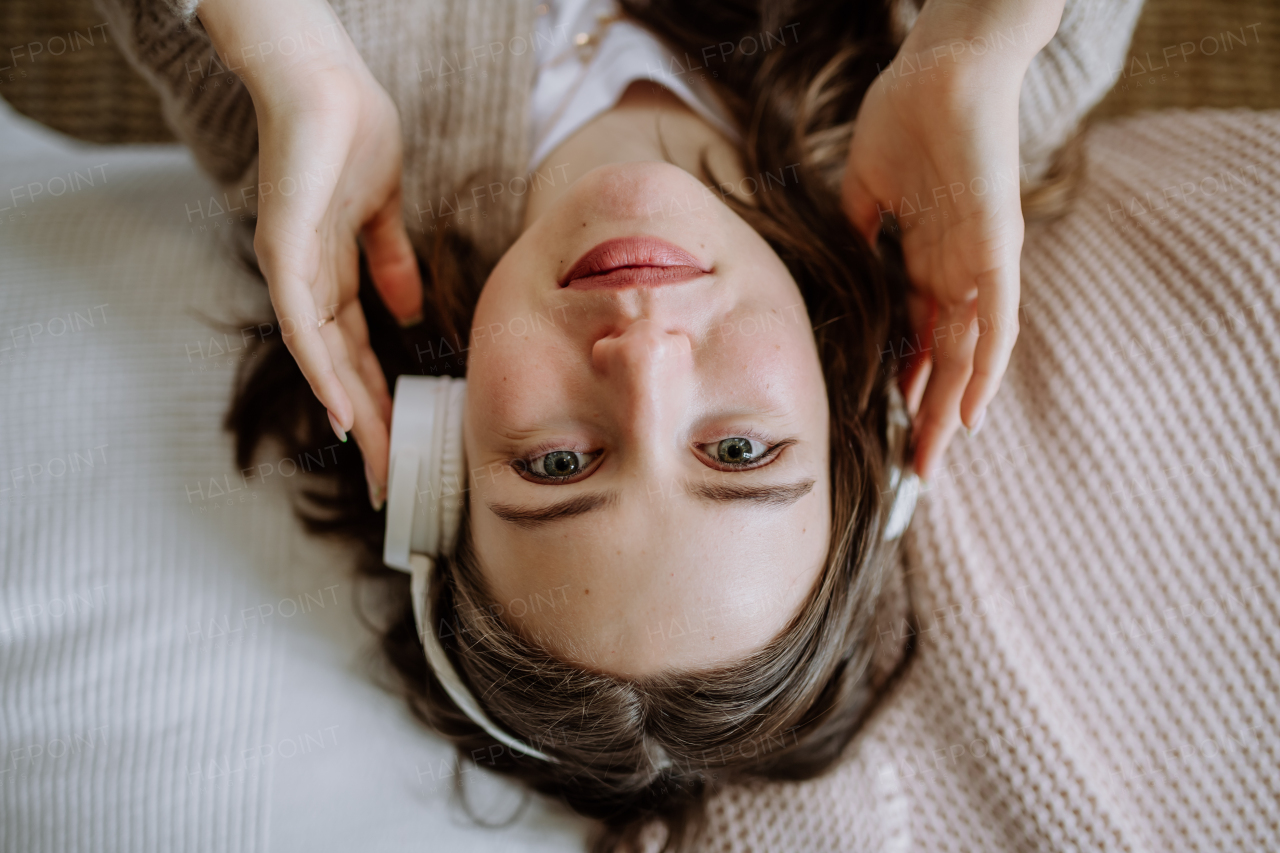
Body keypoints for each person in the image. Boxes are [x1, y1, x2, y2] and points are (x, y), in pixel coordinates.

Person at [101, 0, 1086, 848]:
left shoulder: (298, 156)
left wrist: (281, 50)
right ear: (842, 399)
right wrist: (979, 40)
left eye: (560, 460)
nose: (642, 355)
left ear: (440, 450)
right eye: (738, 450)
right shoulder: (965, 140)